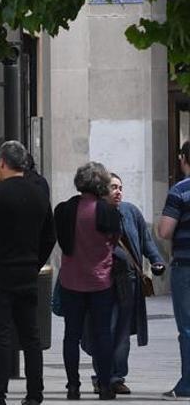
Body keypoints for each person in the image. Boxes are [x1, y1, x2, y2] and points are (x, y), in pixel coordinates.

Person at [0, 141, 55, 405]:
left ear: (3, 164)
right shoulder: (39, 193)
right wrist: (34, 262)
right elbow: (50, 236)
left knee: (0, 335)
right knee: (31, 336)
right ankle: (35, 394)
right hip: (27, 274)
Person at [88, 173, 166, 394]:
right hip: (102, 282)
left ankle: (116, 377)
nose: (119, 191)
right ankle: (103, 375)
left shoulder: (131, 212)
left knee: (122, 333)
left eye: (120, 187)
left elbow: (146, 240)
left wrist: (157, 260)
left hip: (128, 282)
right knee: (104, 330)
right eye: (113, 187)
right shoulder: (92, 215)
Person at [54, 162, 121, 400]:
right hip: (101, 281)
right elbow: (113, 242)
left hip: (71, 279)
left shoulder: (64, 209)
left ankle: (73, 386)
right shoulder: (108, 211)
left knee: (71, 334)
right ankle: (104, 385)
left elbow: (61, 241)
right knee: (103, 333)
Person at [156, 140, 190, 400]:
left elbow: (165, 230)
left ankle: (188, 383)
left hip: (186, 268)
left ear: (183, 159)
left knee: (188, 327)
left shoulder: (180, 191)